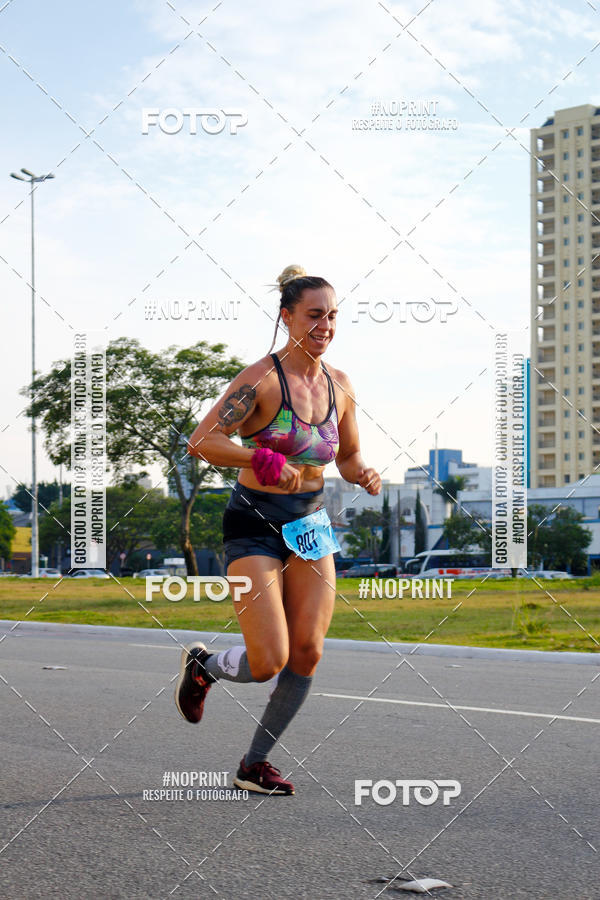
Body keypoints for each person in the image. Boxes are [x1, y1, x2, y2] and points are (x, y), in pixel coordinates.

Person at [175, 263, 381, 795]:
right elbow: (202, 441)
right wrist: (259, 457)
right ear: (286, 317)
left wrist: (362, 471)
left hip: (309, 522)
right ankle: (205, 667)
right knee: (269, 661)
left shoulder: (340, 385)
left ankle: (254, 764)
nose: (324, 325)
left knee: (307, 651)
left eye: (331, 316)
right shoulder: (260, 380)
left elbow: (348, 454)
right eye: (314, 315)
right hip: (254, 521)